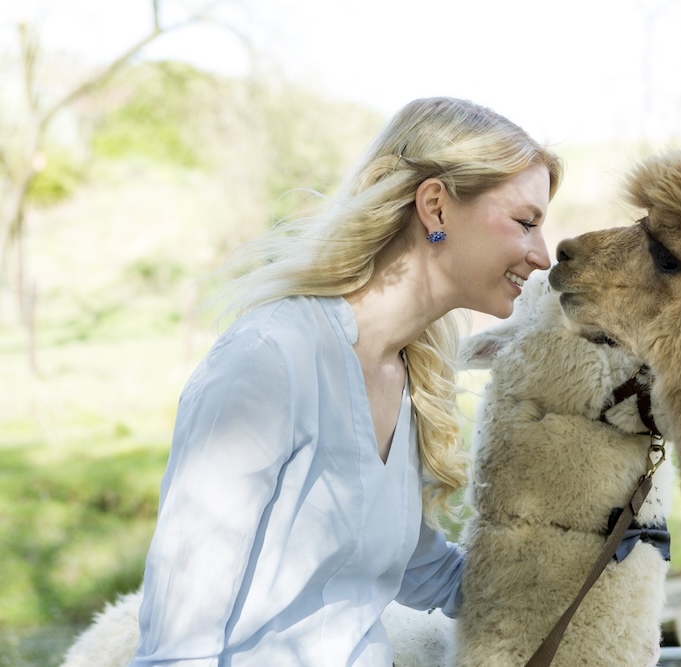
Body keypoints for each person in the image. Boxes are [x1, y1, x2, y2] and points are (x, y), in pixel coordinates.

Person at [130, 97, 563, 666]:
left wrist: (592, 552)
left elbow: (422, 569)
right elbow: (176, 646)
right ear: (435, 207)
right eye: (525, 222)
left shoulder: (408, 375)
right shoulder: (271, 357)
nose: (541, 254)